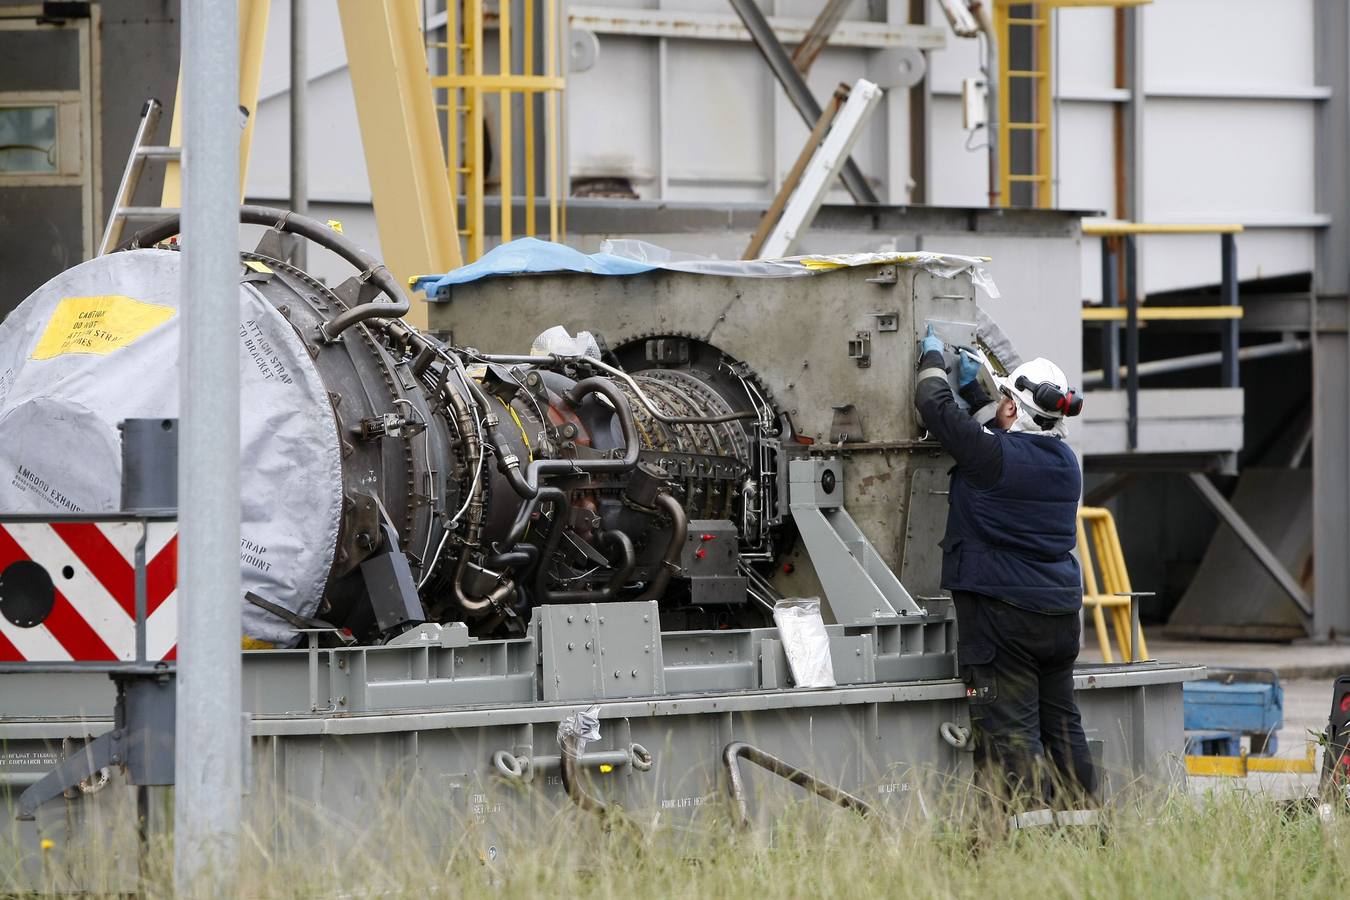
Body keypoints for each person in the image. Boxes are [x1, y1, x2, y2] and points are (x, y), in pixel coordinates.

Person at [913, 326, 1096, 812]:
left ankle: (1026, 843)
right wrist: (978, 392)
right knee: (1063, 728)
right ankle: (1082, 828)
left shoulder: (993, 458)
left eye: (1001, 399)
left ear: (1012, 408)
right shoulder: (1065, 463)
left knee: (1012, 732)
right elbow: (994, 437)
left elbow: (934, 404)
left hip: (1004, 622)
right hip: (1059, 618)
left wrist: (932, 358)